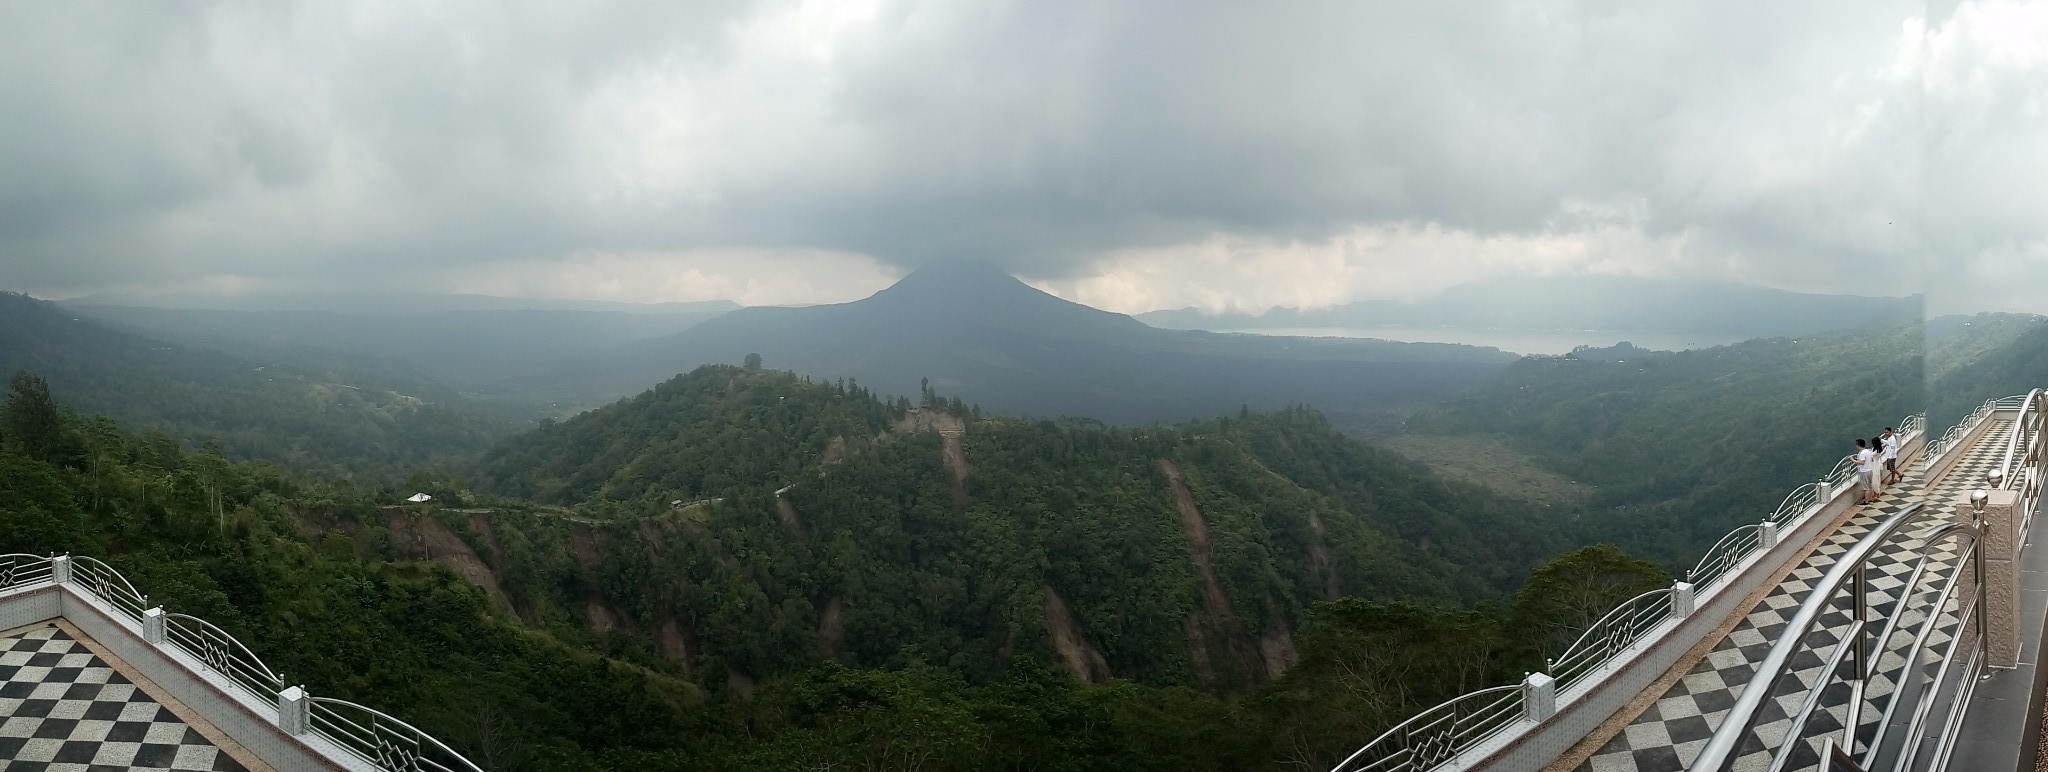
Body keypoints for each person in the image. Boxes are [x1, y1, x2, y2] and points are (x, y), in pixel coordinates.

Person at [1854, 438, 1880, 504]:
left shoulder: (1862, 453)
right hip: (1869, 470)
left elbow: (1862, 462)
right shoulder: (1868, 451)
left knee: (1866, 487)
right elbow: (1871, 459)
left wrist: (1853, 460)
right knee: (1869, 485)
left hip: (1864, 471)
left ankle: (1866, 501)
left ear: (1858, 445)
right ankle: (1870, 498)